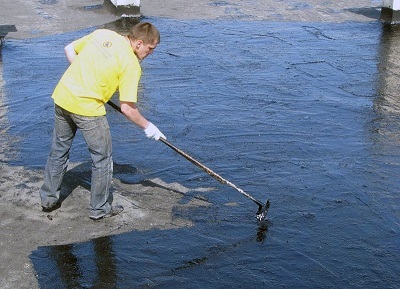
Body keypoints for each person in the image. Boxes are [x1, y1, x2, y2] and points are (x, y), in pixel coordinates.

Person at [39, 22, 165, 220]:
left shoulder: (103, 34)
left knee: (59, 150)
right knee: (102, 159)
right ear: (139, 43)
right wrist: (149, 127)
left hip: (63, 96)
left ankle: (48, 200)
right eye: (151, 49)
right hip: (87, 109)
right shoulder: (131, 65)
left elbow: (69, 49)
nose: (151, 53)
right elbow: (127, 109)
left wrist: (86, 77)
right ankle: (100, 209)